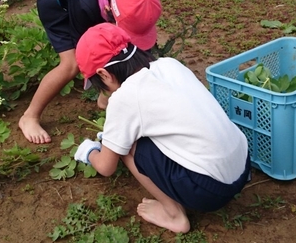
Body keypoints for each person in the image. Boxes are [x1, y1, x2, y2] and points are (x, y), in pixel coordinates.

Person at [73, 23, 252, 233]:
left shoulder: (125, 98)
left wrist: (90, 151)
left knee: (127, 146)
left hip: (211, 192)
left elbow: (106, 166)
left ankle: (174, 215)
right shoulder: (169, 65)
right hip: (242, 164)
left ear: (104, 75)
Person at [18, 0, 161, 144]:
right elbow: (88, 52)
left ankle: (104, 99)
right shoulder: (82, 4)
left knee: (124, 52)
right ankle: (30, 116)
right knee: (71, 65)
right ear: (110, 10)